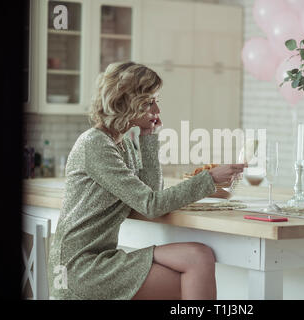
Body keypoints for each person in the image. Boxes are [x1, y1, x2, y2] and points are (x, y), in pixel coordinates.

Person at [47, 61, 247, 300]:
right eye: (149, 103)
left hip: (101, 259)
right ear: (126, 103)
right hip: (77, 269)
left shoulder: (123, 145)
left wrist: (148, 137)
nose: (157, 111)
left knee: (199, 256)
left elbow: (151, 194)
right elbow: (151, 205)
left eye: (156, 102)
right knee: (190, 278)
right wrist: (210, 178)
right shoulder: (95, 144)